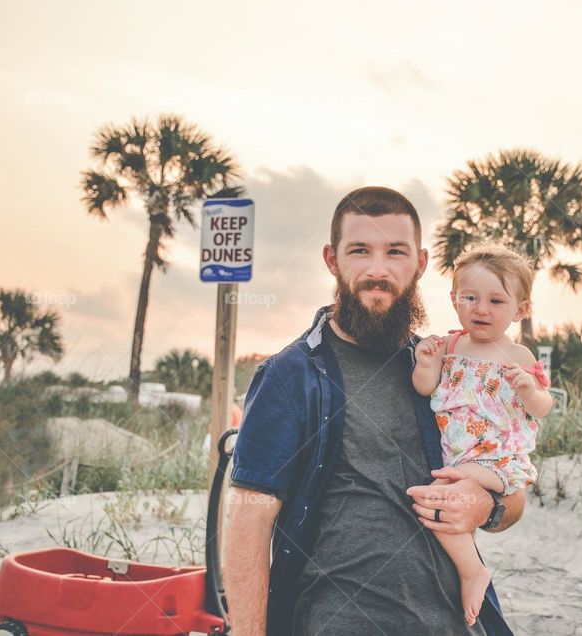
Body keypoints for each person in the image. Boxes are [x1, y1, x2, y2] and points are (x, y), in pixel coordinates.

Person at [223, 186, 523, 635]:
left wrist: (485, 505)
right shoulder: (290, 376)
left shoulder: (449, 370)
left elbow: (513, 492)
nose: (378, 270)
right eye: (360, 250)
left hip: (457, 621)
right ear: (332, 259)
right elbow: (250, 521)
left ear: (420, 264)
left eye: (395, 252)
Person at [412, 244, 553, 625]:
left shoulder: (519, 356)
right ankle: (468, 571)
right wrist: (426, 362)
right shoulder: (451, 346)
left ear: (519, 310)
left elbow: (543, 407)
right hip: (454, 453)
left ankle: (473, 572)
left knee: (441, 494)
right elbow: (426, 388)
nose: (481, 309)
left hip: (495, 457)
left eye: (496, 300)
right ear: (454, 299)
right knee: (445, 506)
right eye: (470, 297)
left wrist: (528, 390)